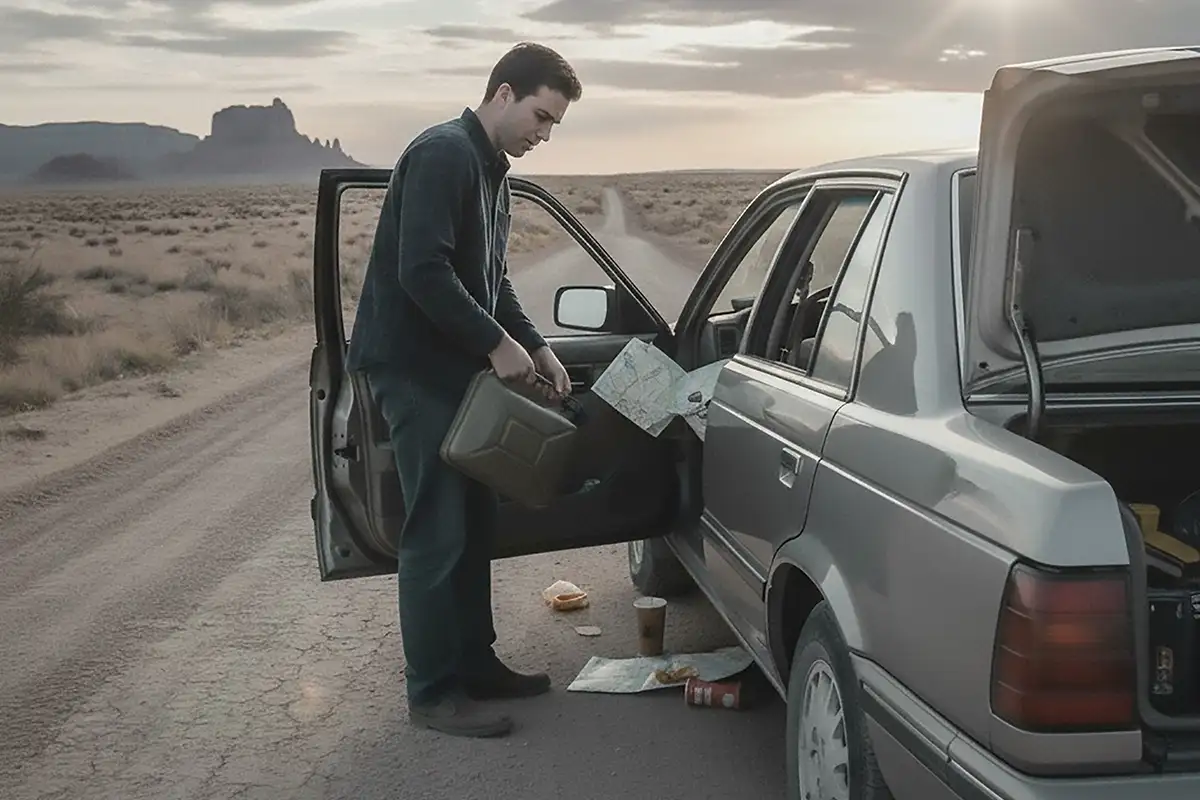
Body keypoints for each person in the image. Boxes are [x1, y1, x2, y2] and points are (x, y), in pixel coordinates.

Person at [344, 42, 581, 738]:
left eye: (555, 125)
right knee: (436, 530)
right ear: (503, 93)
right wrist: (495, 344)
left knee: (475, 524)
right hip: (413, 369)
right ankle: (434, 693)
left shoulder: (493, 174)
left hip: (456, 372)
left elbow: (492, 277)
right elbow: (423, 271)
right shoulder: (444, 153)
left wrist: (534, 342)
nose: (544, 133)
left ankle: (476, 664)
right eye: (541, 116)